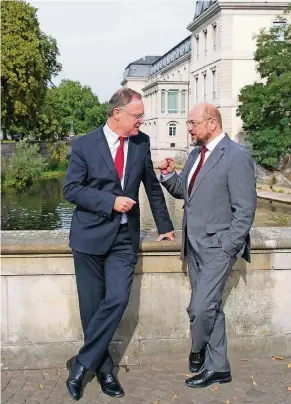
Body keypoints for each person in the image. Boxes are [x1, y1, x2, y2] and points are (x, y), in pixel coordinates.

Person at [63, 88, 174, 400]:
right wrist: (110, 201)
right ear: (117, 114)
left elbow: (152, 187)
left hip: (125, 239)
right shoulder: (85, 144)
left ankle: (82, 363)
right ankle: (106, 369)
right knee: (91, 308)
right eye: (137, 116)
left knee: (117, 299)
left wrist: (165, 226)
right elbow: (70, 189)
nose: (141, 120)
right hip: (88, 237)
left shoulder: (141, 142)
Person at [159, 102, 256, 388]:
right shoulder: (194, 155)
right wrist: (168, 176)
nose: (188, 128)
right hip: (193, 245)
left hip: (217, 248)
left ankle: (198, 348)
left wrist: (227, 246)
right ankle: (219, 368)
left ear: (211, 123)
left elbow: (245, 210)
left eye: (192, 123)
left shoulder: (236, 156)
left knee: (199, 308)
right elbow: (185, 194)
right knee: (212, 306)